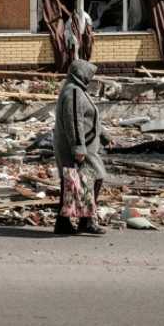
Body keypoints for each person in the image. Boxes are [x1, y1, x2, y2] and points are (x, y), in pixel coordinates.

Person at [53, 58, 107, 235]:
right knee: (93, 178)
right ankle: (86, 221)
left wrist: (105, 135)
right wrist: (78, 149)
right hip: (78, 146)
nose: (91, 79)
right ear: (82, 75)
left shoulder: (76, 90)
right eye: (90, 75)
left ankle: (64, 222)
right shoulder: (74, 93)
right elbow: (74, 122)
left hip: (85, 144)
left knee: (72, 183)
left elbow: (89, 118)